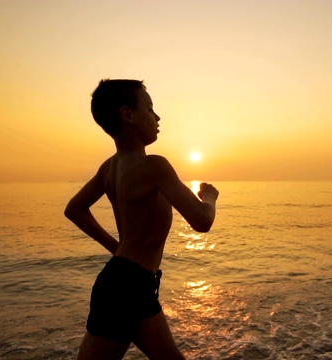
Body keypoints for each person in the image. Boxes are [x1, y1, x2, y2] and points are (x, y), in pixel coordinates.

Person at [65, 79, 219, 360]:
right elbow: (201, 221)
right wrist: (209, 197)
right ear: (127, 115)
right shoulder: (154, 166)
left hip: (122, 281)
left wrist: (117, 250)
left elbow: (74, 209)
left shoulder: (109, 168)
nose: (157, 117)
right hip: (130, 286)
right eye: (149, 108)